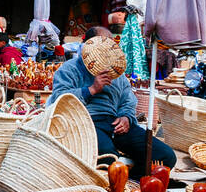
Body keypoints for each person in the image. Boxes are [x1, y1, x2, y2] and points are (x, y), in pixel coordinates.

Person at [50, 28, 177, 170]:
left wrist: (126, 117)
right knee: (108, 158)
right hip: (85, 123)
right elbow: (59, 98)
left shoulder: (116, 73)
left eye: (109, 46)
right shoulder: (70, 68)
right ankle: (118, 176)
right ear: (86, 45)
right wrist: (91, 90)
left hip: (114, 123)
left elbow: (128, 100)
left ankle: (131, 181)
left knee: (166, 156)